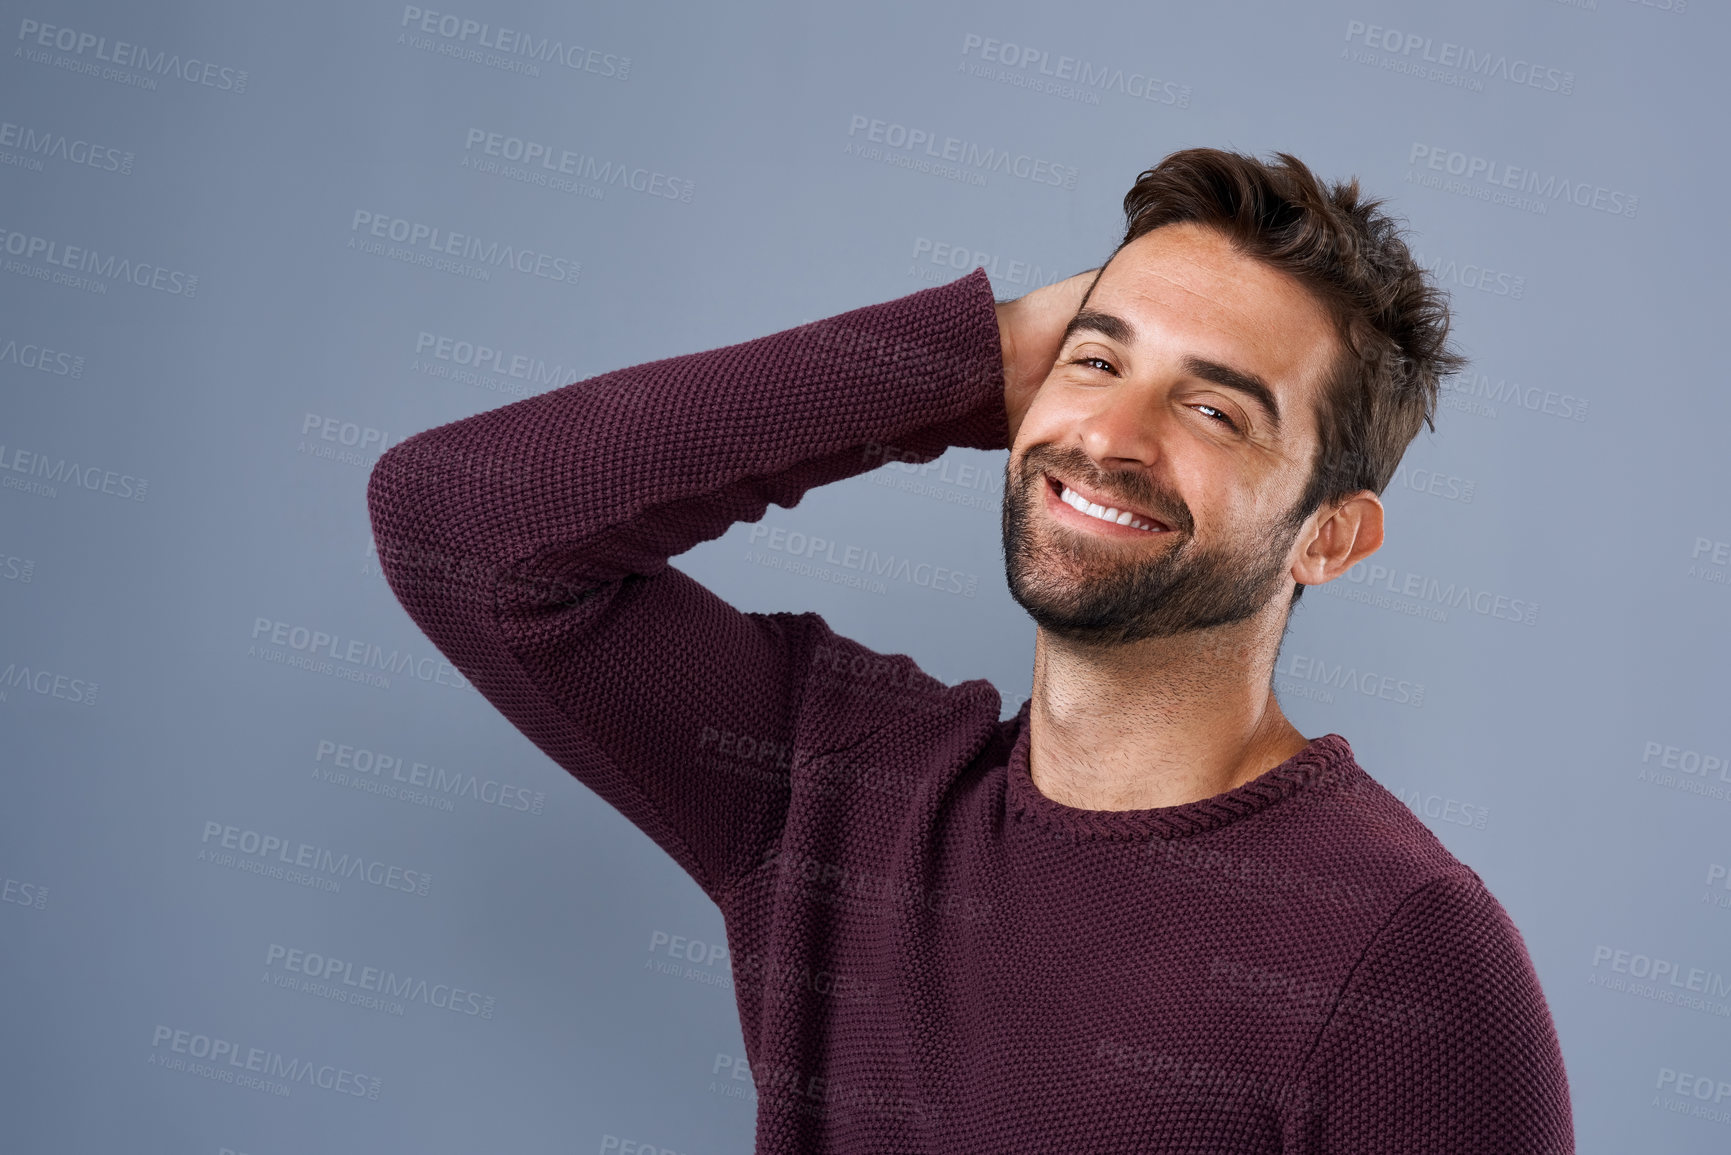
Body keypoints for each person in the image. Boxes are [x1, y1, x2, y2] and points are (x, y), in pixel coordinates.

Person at [367, 148, 1573, 1152]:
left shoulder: (1407, 953)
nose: (1108, 435)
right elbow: (459, 526)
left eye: (1213, 409)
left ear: (1330, 537)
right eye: (1093, 360)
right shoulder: (830, 789)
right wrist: (960, 356)